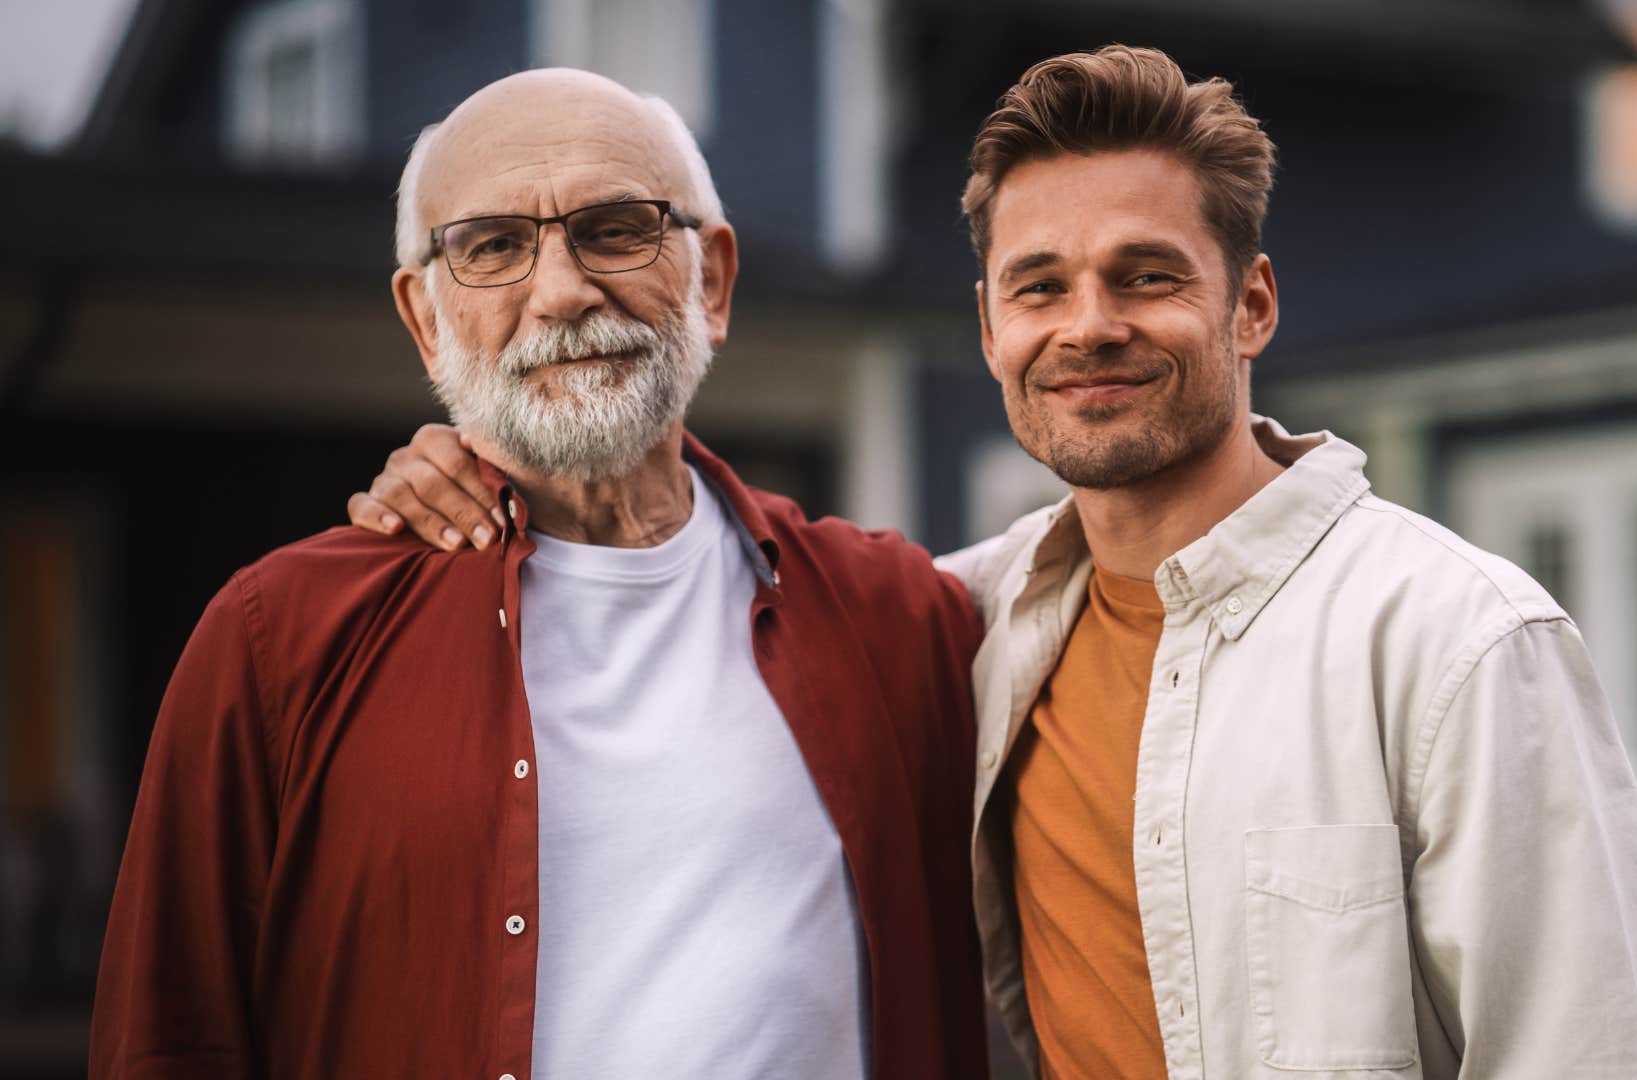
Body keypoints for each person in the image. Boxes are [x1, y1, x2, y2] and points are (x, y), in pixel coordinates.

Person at [351, 47, 1637, 1079]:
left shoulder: (1452, 642)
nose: (1091, 326)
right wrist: (485, 464)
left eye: (1148, 276)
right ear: (991, 323)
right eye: (1042, 285)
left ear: (1252, 303)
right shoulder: (967, 620)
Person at [92, 69, 986, 1080]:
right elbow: (167, 1044)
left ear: (715, 282)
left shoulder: (902, 617)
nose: (560, 293)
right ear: (426, 319)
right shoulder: (278, 639)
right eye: (492, 247)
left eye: (615, 229)